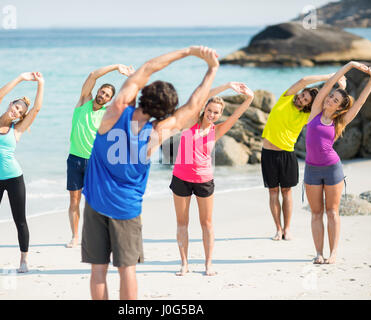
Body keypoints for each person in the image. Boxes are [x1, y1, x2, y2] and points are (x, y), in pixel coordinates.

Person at [81, 46, 219, 300]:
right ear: (165, 111)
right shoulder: (158, 132)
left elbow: (146, 68)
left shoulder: (115, 111)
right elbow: (194, 106)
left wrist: (186, 52)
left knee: (98, 271)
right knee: (127, 271)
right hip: (127, 208)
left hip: (96, 202)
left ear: (143, 95)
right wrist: (211, 69)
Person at [170, 82, 254, 276]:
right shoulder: (190, 122)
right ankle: (184, 264)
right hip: (181, 178)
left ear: (220, 115)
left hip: (204, 180)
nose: (212, 115)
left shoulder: (217, 131)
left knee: (206, 223)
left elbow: (237, 115)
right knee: (182, 223)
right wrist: (227, 86)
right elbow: (200, 97)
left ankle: (208, 264)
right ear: (204, 109)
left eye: (216, 112)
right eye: (209, 110)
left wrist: (249, 98)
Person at [305, 61, 371, 264]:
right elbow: (329, 85)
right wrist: (350, 65)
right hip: (311, 169)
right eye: (330, 96)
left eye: (335, 100)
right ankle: (319, 253)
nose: (329, 99)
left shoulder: (340, 122)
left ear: (339, 107)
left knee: (332, 211)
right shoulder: (315, 112)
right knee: (316, 213)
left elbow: (361, 102)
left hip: (332, 169)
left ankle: (333, 253)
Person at [0, 72, 45, 274]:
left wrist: (41, 83)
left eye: (21, 112)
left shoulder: (18, 130)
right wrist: (21, 78)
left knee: (20, 220)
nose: (16, 112)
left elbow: (37, 108)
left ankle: (23, 261)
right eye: (16, 107)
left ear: (21, 117)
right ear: (10, 105)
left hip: (14, 179)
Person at [261, 73, 346, 241]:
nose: (300, 99)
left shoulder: (307, 116)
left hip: (287, 155)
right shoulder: (286, 98)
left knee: (286, 191)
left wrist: (340, 88)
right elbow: (302, 81)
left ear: (308, 106)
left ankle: (287, 229)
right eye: (302, 95)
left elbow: (329, 105)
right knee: (272, 192)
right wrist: (331, 76)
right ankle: (278, 229)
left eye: (305, 100)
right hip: (268, 153)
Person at [66, 64, 134, 248]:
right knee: (74, 200)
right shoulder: (83, 102)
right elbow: (92, 75)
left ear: (109, 99)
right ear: (97, 91)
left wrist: (132, 78)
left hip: (95, 163)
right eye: (102, 92)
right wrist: (116, 67)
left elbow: (127, 100)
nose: (102, 96)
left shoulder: (107, 114)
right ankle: (75, 236)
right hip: (74, 159)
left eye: (107, 95)